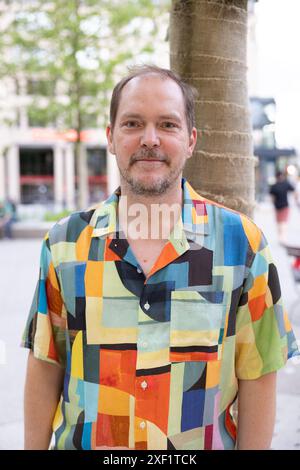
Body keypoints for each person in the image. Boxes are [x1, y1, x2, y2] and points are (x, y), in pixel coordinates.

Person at [22, 65, 299, 451]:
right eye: (133, 123)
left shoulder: (244, 244)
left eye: (167, 125)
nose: (149, 139)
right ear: (111, 137)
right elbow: (46, 363)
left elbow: (259, 374)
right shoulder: (65, 243)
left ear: (190, 140)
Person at [269, 170, 295, 244]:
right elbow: (293, 190)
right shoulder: (286, 184)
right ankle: (282, 237)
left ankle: (280, 236)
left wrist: (273, 205)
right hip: (285, 206)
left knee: (279, 222)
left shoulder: (274, 186)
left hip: (277, 206)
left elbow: (272, 198)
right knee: (283, 222)